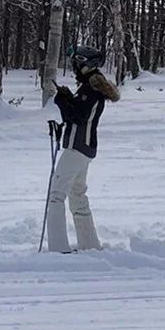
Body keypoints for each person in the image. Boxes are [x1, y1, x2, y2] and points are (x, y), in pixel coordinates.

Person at [48, 45, 120, 253]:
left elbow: (77, 117)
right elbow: (78, 112)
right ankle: (90, 245)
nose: (74, 68)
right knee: (77, 195)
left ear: (85, 64)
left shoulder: (91, 89)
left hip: (77, 148)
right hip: (83, 148)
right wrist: (68, 98)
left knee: (56, 195)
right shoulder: (90, 86)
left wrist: (62, 101)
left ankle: (58, 248)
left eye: (76, 64)